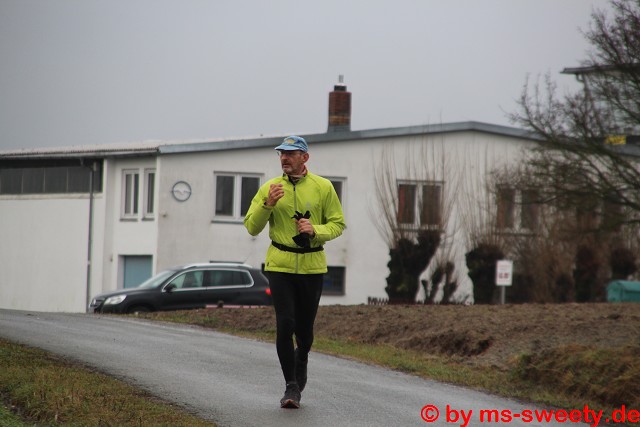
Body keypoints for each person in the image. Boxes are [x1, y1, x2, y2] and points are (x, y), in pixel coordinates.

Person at [244, 135, 346, 408]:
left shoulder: (323, 187)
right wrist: (267, 205)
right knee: (285, 324)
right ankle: (291, 387)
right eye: (281, 153)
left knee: (305, 332)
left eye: (290, 153)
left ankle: (302, 357)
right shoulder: (270, 188)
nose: (284, 158)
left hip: (312, 266)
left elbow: (338, 224)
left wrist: (316, 230)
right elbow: (251, 227)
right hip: (280, 266)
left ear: (305, 157)